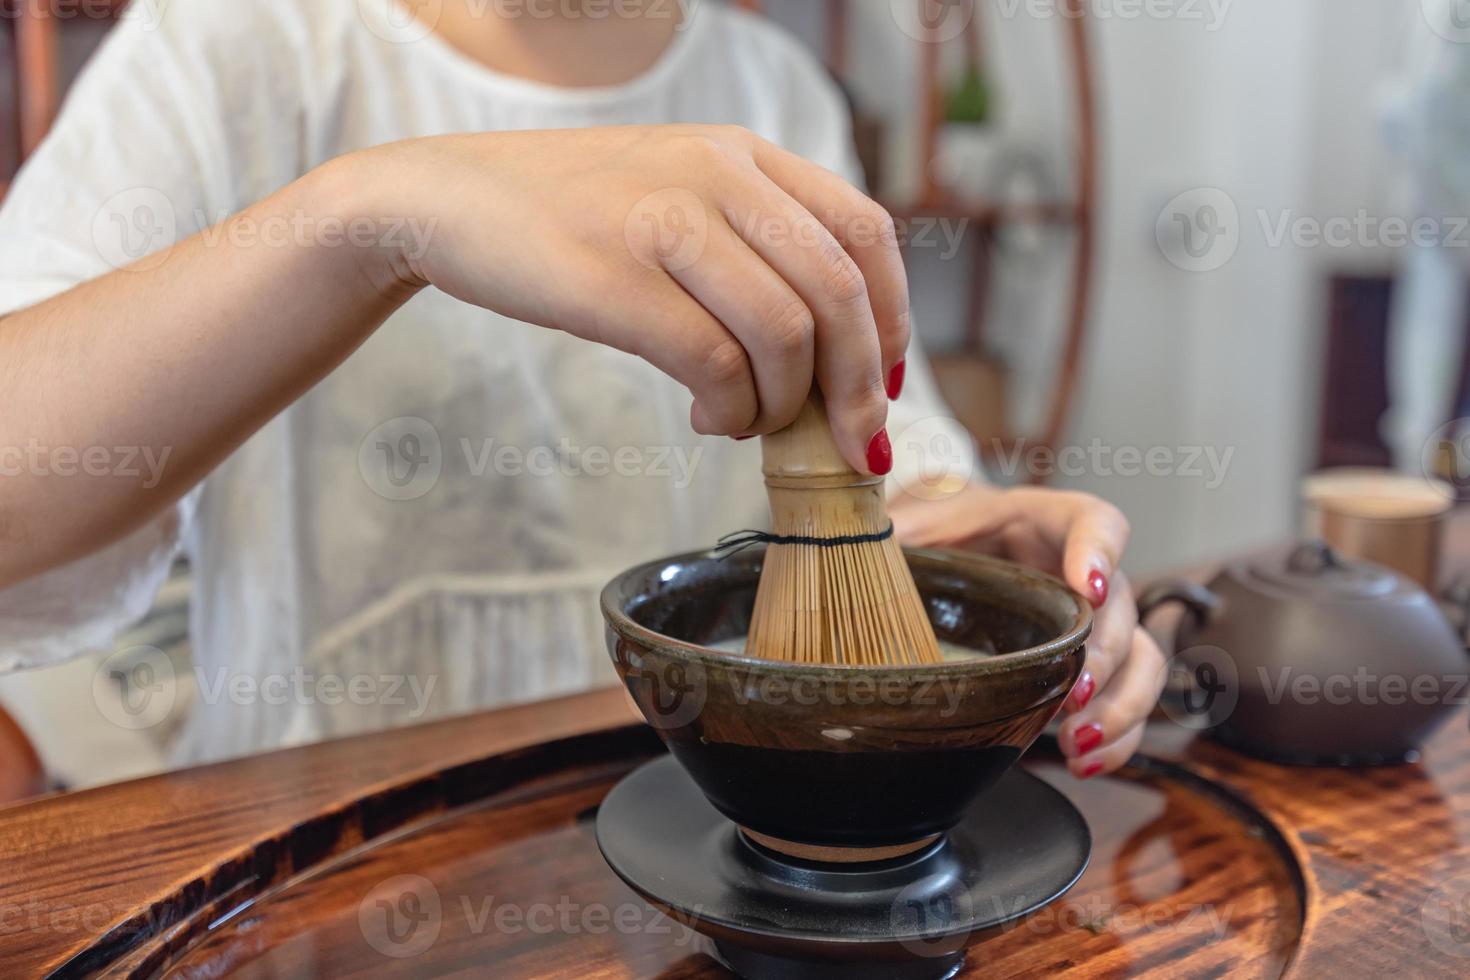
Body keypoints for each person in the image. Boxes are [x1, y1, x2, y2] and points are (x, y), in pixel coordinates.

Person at [0, 0, 1163, 796]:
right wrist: (378, 217)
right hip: (312, 864)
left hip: (690, 854)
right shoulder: (237, 44)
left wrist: (956, 535)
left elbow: (873, 435)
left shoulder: (769, 90)